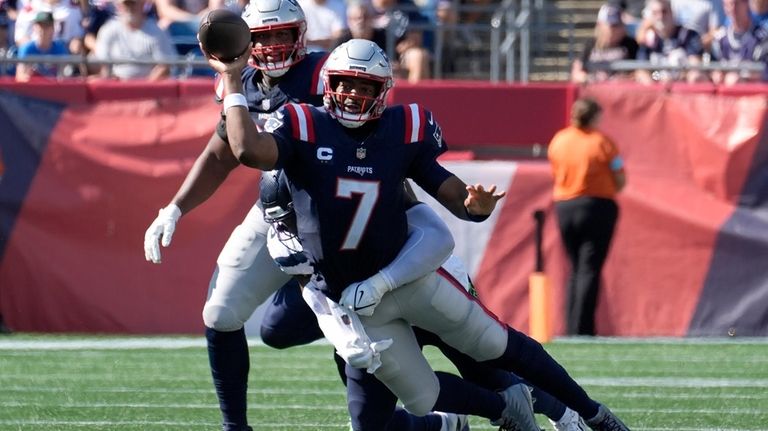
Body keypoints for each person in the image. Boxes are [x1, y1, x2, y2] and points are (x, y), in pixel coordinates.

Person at [208, 37, 631, 431]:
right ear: (327, 87)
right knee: (399, 405)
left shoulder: (403, 128)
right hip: (356, 300)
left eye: (364, 86)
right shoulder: (301, 127)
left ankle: (588, 415)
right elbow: (247, 150)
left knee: (491, 349)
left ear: (384, 90)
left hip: (408, 274)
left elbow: (446, 211)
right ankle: (499, 410)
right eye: (345, 84)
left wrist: (473, 206)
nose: (353, 95)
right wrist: (232, 80)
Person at [259, 169, 591, 431]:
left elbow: (428, 232)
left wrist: (380, 283)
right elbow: (314, 291)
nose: (291, 228)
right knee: (372, 415)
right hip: (374, 308)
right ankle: (455, 421)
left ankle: (562, 410)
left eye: (294, 217)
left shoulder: (361, 180)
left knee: (487, 371)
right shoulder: (287, 236)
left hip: (425, 282)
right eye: (284, 220)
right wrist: (343, 335)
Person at [547, 98, 626, 337]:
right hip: (597, 206)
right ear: (593, 117)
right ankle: (583, 329)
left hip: (565, 206)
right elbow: (620, 178)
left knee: (575, 268)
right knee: (589, 268)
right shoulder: (603, 142)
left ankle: (571, 326)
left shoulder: (559, 140)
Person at [93, 0, 176, 80]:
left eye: (133, 3)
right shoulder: (108, 30)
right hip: (116, 84)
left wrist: (143, 87)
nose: (130, 8)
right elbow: (104, 65)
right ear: (119, 6)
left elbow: (164, 66)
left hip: (148, 87)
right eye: (126, 4)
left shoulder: (157, 32)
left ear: (142, 4)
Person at [634, 0, 705, 83]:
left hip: (682, 86)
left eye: (664, 12)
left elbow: (695, 66)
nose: (660, 17)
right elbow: (641, 70)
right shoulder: (648, 38)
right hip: (657, 87)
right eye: (655, 13)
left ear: (672, 12)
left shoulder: (688, 35)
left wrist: (677, 79)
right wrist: (653, 84)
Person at [571, 3, 638, 84]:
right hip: (595, 91)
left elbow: (639, 72)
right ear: (600, 25)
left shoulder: (630, 44)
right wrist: (589, 79)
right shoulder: (591, 43)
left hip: (621, 92)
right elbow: (577, 72)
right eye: (610, 26)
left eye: (616, 25)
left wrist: (624, 80)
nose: (612, 30)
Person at [710, 0, 768, 84]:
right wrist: (715, 74)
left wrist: (740, 77)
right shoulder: (720, 39)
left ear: (747, 4)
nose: (733, 8)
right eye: (729, 5)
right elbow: (713, 66)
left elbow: (763, 72)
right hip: (725, 92)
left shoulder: (761, 37)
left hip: (754, 91)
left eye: (736, 3)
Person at [15, 10, 69, 81]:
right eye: (40, 26)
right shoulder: (27, 49)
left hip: (53, 89)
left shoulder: (60, 49)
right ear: (35, 28)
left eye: (47, 26)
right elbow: (19, 75)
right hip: (31, 89)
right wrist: (30, 78)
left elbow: (64, 76)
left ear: (53, 29)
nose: (43, 30)